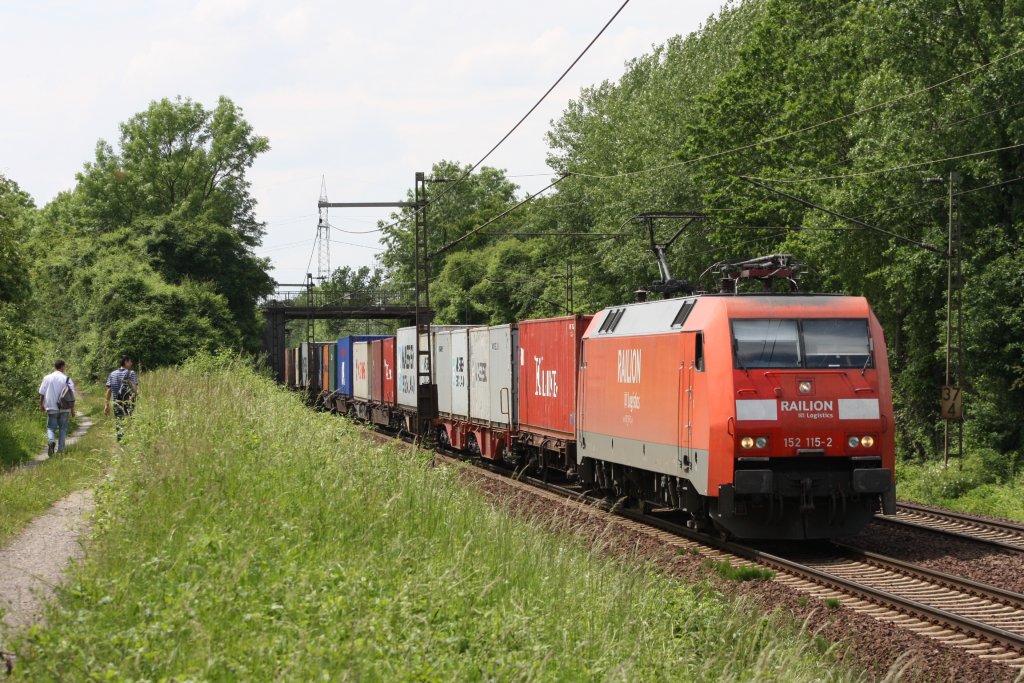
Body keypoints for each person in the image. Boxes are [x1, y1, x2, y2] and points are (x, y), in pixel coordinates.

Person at [38, 359, 76, 456]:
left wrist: (41, 405)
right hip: (65, 408)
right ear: (62, 367)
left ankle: (51, 442)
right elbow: (72, 396)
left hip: (51, 407)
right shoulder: (67, 379)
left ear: (55, 367)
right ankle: (60, 450)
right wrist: (72, 410)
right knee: (63, 428)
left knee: (51, 427)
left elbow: (42, 393)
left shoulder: (47, 378)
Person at [104, 354, 138, 442]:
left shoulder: (112, 374)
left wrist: (106, 405)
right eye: (130, 361)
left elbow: (108, 390)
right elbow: (134, 389)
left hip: (116, 403)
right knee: (128, 424)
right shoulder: (131, 373)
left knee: (119, 424)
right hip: (128, 403)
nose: (131, 363)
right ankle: (127, 445)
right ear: (125, 362)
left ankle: (121, 444)